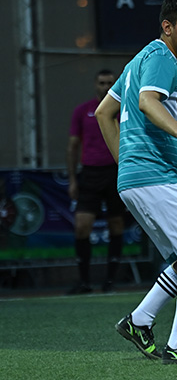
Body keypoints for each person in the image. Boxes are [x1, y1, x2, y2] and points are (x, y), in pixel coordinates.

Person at [95, 0, 177, 364]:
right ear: (167, 27)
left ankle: (139, 321)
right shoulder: (162, 58)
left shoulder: (139, 59)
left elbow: (104, 112)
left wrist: (125, 162)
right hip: (155, 175)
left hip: (138, 177)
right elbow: (147, 102)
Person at [66, 69, 125, 294]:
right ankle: (84, 282)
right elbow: (73, 145)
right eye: (102, 83)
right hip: (90, 174)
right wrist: (73, 179)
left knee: (116, 224)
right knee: (82, 226)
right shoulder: (82, 111)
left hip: (116, 172)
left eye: (110, 83)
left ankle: (110, 281)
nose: (106, 87)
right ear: (95, 85)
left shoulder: (123, 109)